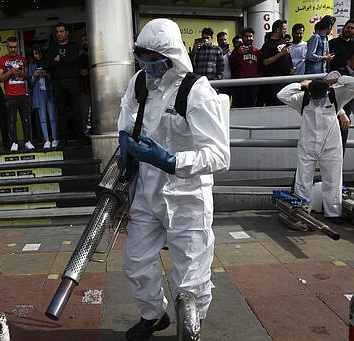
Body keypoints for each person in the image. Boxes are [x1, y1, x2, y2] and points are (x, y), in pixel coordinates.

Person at [118, 18, 230, 340]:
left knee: (190, 278)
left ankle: (189, 329)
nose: (149, 69)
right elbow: (126, 121)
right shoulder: (138, 83)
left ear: (171, 57)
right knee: (135, 262)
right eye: (143, 61)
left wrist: (170, 160)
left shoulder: (196, 91)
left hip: (187, 196)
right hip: (146, 191)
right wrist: (124, 141)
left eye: (155, 63)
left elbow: (220, 156)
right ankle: (153, 316)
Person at [277, 76, 354, 224]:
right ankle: (303, 211)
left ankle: (333, 213)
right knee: (303, 180)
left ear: (327, 91)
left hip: (331, 146)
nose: (317, 100)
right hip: (308, 145)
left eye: (320, 96)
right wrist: (301, 85)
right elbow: (282, 95)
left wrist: (339, 79)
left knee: (333, 179)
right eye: (315, 97)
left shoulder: (336, 95)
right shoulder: (303, 98)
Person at [45, 22, 83, 146]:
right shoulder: (52, 47)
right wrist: (65, 62)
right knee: (61, 112)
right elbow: (49, 65)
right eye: (57, 32)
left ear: (67, 33)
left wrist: (60, 59)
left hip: (72, 81)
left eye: (62, 31)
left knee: (76, 110)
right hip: (57, 82)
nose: (59, 34)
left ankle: (80, 137)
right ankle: (63, 139)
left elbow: (74, 60)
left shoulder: (73, 45)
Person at [0, 36, 34, 152]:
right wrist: (11, 72)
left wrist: (21, 73)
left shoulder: (22, 59)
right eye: (11, 47)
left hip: (23, 94)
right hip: (10, 95)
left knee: (26, 119)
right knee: (11, 120)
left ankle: (28, 141)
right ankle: (14, 142)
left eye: (15, 47)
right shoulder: (2, 60)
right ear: (7, 47)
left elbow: (28, 77)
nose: (13, 49)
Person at [29, 47, 58, 149]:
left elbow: (53, 77)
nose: (37, 56)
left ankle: (55, 138)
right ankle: (46, 140)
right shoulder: (32, 65)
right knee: (43, 118)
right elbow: (30, 83)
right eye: (35, 54)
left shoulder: (47, 63)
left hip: (49, 92)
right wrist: (34, 75)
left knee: (52, 117)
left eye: (38, 53)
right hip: (39, 93)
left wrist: (46, 74)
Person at [260, 19, 294, 105]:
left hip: (286, 79)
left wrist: (291, 67)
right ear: (278, 29)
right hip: (275, 81)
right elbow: (266, 62)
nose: (286, 31)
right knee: (275, 103)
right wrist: (281, 54)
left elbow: (287, 56)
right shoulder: (268, 45)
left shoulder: (283, 41)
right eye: (284, 29)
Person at [326, 51, 354, 155]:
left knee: (340, 151)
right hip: (331, 117)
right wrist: (342, 114)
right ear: (349, 61)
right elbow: (328, 96)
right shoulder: (337, 73)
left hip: (345, 119)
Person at [229, 27, 260, 108]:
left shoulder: (256, 51)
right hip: (241, 83)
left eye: (250, 36)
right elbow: (232, 65)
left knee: (252, 105)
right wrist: (238, 54)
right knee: (240, 105)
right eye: (246, 36)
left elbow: (260, 66)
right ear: (242, 38)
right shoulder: (236, 50)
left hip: (254, 82)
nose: (248, 38)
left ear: (253, 37)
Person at [78, 33, 92, 138]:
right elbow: (80, 71)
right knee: (85, 113)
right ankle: (86, 134)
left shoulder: (96, 56)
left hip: (98, 89)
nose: (84, 43)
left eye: (86, 40)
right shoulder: (80, 58)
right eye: (82, 41)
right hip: (84, 88)